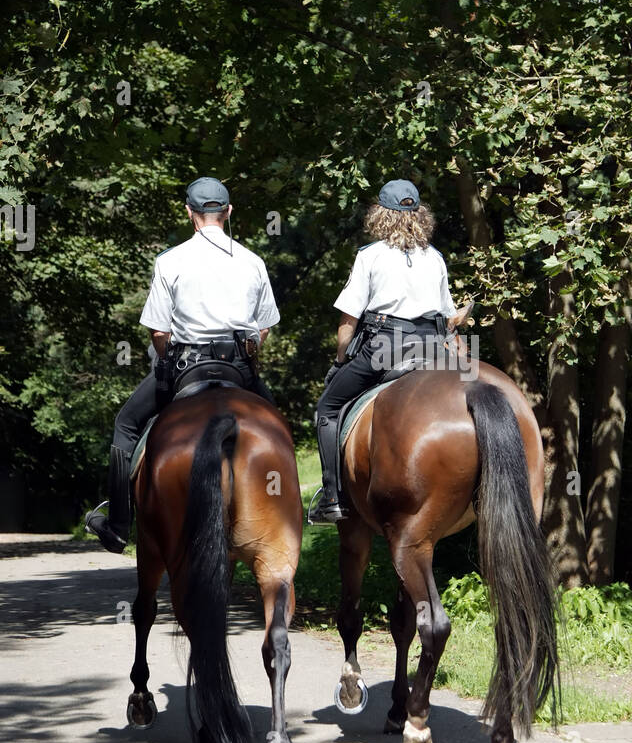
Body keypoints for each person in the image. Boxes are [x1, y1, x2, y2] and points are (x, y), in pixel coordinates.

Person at [85, 177, 280, 553]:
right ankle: (290, 504)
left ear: (189, 213)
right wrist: (248, 356)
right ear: (228, 212)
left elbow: (159, 332)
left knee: (126, 423)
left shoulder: (170, 261)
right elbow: (264, 326)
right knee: (275, 426)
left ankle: (120, 523)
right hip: (238, 367)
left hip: (184, 366)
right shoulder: (254, 261)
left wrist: (167, 361)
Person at [310, 178, 466, 524]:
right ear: (419, 214)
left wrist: (340, 361)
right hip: (433, 350)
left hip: (385, 347)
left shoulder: (370, 256)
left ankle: (333, 497)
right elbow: (450, 319)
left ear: (381, 214)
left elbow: (347, 322)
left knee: (329, 406)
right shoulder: (435, 257)